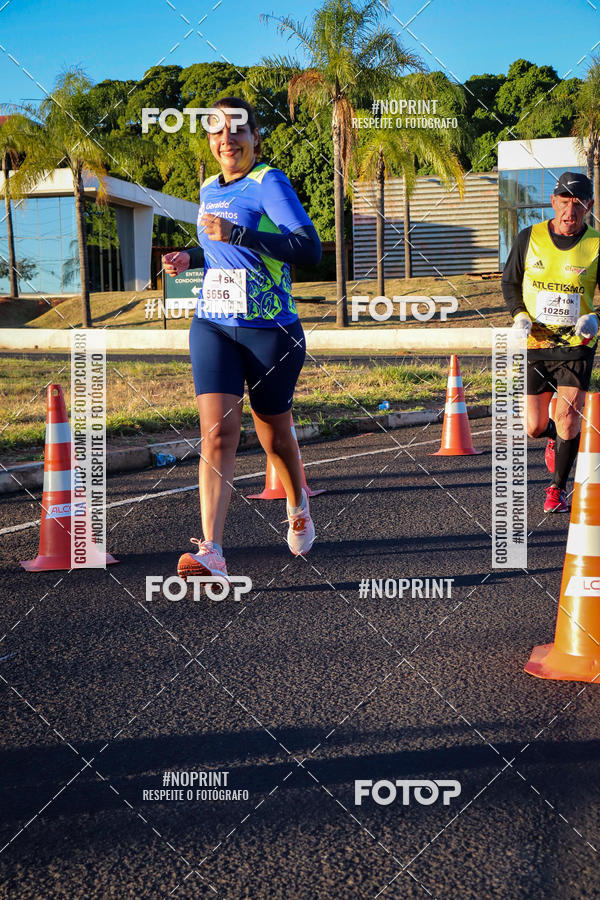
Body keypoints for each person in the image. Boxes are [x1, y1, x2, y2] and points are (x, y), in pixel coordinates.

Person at [162, 97, 322, 581]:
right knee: (218, 433)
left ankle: (297, 502)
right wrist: (192, 256)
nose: (226, 139)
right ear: (210, 140)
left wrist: (238, 235)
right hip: (213, 322)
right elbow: (219, 247)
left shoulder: (268, 181)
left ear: (255, 137)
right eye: (216, 131)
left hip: (270, 331)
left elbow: (307, 247)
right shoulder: (209, 187)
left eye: (237, 130)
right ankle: (211, 549)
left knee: (275, 435)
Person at [502, 171, 600, 513]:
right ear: (553, 201)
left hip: (577, 344)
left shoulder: (596, 245)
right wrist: (519, 315)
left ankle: (557, 489)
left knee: (568, 417)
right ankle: (553, 440)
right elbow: (510, 282)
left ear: (587, 206)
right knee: (534, 426)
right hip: (537, 343)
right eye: (563, 202)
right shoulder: (530, 237)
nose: (569, 212)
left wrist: (595, 316)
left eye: (577, 204)